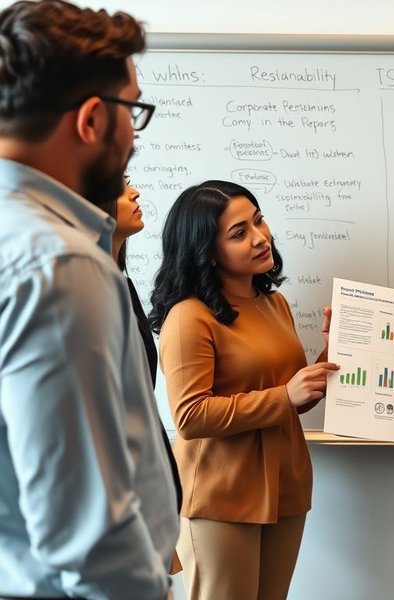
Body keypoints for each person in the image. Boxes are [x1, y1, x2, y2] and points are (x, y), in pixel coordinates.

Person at [0, 1, 179, 599]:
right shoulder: (59, 265)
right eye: (133, 110)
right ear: (91, 120)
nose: (134, 134)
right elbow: (87, 535)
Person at [148, 180, 339, 600]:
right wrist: (285, 396)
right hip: (221, 495)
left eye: (259, 220)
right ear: (206, 251)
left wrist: (333, 350)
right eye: (239, 233)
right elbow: (190, 416)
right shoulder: (189, 317)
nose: (260, 237)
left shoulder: (275, 303)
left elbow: (291, 399)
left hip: (286, 488)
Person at [98, 177, 183, 513]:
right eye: (120, 187)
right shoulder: (88, 294)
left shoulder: (124, 286)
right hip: (116, 487)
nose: (135, 192)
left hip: (145, 476)